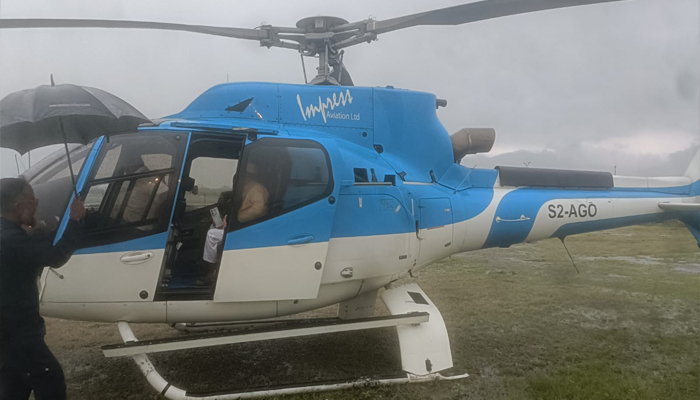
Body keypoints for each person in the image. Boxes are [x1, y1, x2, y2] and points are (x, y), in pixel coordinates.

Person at [0, 178, 86, 400]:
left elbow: (29, 253)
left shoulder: (9, 235)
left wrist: (37, 232)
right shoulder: (11, 240)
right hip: (16, 326)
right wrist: (75, 220)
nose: (36, 207)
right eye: (34, 202)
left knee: (15, 380)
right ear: (19, 206)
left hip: (7, 327)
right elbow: (54, 256)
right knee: (50, 377)